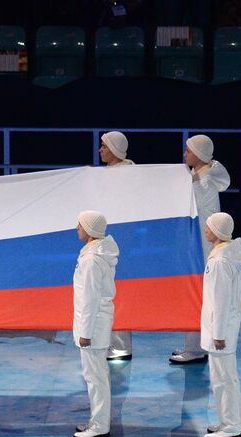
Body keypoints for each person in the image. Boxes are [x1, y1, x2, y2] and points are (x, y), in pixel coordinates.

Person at [169, 134, 230, 366]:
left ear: (200, 154)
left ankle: (195, 348)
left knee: (197, 295)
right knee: (198, 295)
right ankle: (196, 345)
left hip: (201, 248)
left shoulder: (203, 182)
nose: (185, 155)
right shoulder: (199, 177)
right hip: (198, 245)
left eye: (188, 151)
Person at [200, 212, 241, 437]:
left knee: (223, 379)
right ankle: (230, 422)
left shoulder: (220, 261)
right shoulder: (224, 255)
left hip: (221, 329)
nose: (205, 230)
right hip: (223, 325)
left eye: (209, 227)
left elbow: (220, 299)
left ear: (217, 230)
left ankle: (230, 426)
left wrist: (218, 334)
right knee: (225, 378)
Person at [72, 210, 119, 437]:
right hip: (96, 322)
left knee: (95, 377)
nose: (77, 228)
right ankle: (97, 420)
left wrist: (85, 332)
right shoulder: (94, 254)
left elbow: (89, 297)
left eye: (80, 224)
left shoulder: (92, 259)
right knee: (96, 376)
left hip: (93, 325)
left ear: (89, 228)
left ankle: (100, 425)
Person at [99, 130, 136, 362]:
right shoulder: (108, 173)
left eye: (103, 146)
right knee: (107, 291)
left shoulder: (127, 175)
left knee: (118, 292)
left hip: (121, 241)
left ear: (114, 148)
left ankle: (122, 345)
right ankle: (113, 342)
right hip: (108, 240)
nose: (100, 150)